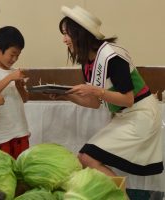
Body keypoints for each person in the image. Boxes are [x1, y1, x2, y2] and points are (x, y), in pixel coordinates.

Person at [52, 5, 163, 176]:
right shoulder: (87, 62)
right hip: (124, 117)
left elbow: (128, 99)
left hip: (141, 115)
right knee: (85, 157)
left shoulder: (113, 56)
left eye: (67, 34)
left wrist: (95, 91)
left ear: (79, 34)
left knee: (88, 158)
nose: (64, 40)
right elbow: (94, 103)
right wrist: (65, 96)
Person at [0, 26, 30, 159]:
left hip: (20, 131)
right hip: (1, 135)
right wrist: (10, 78)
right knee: (3, 170)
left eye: (18, 55)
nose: (14, 59)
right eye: (12, 54)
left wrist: (20, 86)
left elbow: (25, 99)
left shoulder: (13, 72)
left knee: (21, 170)